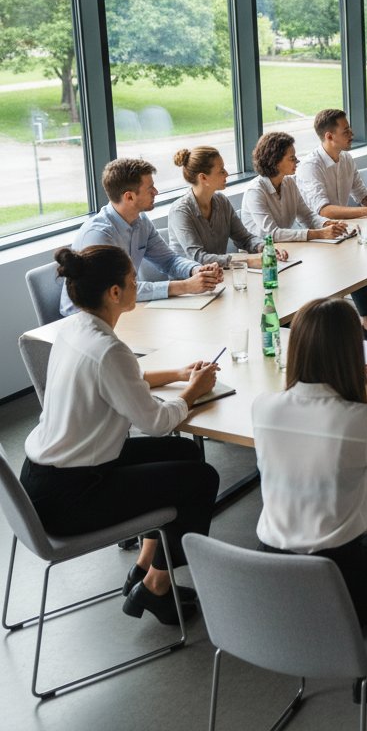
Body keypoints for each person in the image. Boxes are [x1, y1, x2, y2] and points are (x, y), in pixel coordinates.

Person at [22, 246, 220, 625]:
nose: (137, 284)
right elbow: (156, 421)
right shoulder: (109, 349)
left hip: (45, 476)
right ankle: (156, 587)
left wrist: (180, 374)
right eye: (132, 280)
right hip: (72, 496)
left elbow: (123, 380)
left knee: (183, 453)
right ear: (115, 292)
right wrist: (192, 393)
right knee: (202, 479)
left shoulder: (76, 329)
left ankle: (145, 565)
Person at [252, 296, 367, 700]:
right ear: (351, 353)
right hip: (340, 592)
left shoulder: (263, 408)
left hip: (269, 586)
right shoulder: (363, 421)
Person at [295, 109, 367, 342]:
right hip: (317, 236)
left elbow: (364, 197)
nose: (352, 134)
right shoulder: (311, 166)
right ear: (329, 136)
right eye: (346, 131)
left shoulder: (346, 159)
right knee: (361, 259)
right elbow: (323, 210)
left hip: (342, 231)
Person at [60, 157, 222, 316]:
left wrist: (196, 270)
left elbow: (169, 260)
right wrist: (185, 286)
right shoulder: (99, 235)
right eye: (150, 188)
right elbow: (118, 290)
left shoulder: (141, 221)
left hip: (120, 310)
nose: (156, 192)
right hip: (85, 317)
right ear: (129, 197)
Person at [168, 145, 288, 268]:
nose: (226, 174)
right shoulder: (180, 212)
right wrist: (248, 261)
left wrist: (265, 248)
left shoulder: (222, 201)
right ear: (203, 177)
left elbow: (244, 239)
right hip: (191, 278)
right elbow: (199, 258)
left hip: (220, 274)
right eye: (221, 171)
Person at [240, 131, 347, 243]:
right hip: (261, 250)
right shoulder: (255, 192)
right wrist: (320, 233)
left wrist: (326, 223)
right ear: (275, 161)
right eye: (292, 158)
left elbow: (307, 216)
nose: (297, 161)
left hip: (284, 247)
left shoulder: (289, 182)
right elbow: (272, 234)